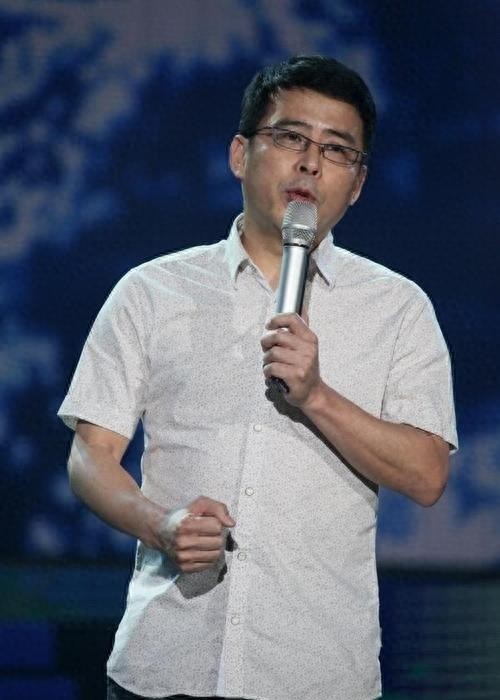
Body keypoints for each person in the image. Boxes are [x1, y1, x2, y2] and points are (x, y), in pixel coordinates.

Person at [57, 55, 457, 700]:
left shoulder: (399, 308)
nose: (310, 164)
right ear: (241, 155)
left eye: (336, 150)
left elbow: (427, 473)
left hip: (317, 674)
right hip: (166, 665)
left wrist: (317, 396)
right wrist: (160, 524)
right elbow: (89, 456)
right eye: (291, 137)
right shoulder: (152, 291)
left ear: (357, 184)